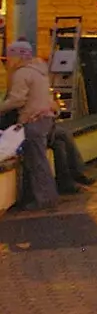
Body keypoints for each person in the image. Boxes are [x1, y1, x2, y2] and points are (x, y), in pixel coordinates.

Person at [0, 40, 60, 212]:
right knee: (39, 160)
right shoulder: (39, 71)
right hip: (45, 119)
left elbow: (17, 100)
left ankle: (44, 200)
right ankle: (46, 197)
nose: (8, 61)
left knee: (36, 161)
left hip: (33, 121)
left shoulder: (22, 73)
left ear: (18, 56)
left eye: (9, 57)